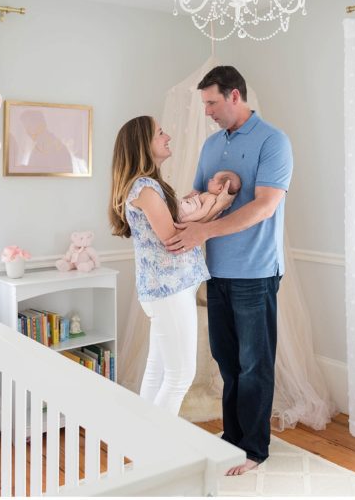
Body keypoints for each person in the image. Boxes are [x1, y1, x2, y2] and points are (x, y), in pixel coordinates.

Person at [166, 66, 293, 476]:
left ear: (234, 96)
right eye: (204, 104)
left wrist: (204, 231)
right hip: (216, 270)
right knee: (226, 359)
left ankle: (254, 448)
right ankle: (232, 439)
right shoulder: (210, 145)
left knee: (255, 362)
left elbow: (264, 206)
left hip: (256, 271)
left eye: (212, 103)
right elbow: (202, 196)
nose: (207, 111)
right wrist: (176, 210)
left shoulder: (273, 141)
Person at [109, 116, 209, 415]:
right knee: (180, 376)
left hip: (165, 291)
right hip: (169, 292)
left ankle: (145, 444)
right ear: (143, 144)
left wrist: (191, 210)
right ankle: (163, 452)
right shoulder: (146, 189)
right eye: (160, 133)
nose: (168, 136)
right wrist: (208, 211)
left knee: (158, 369)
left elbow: (170, 226)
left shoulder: (146, 187)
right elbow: (172, 237)